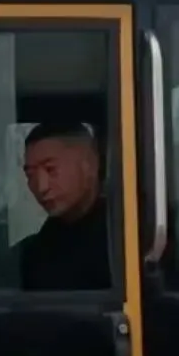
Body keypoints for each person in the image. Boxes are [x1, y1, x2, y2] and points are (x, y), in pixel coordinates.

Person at [15, 122, 111, 291]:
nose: (41, 187)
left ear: (90, 165)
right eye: (30, 175)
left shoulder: (122, 239)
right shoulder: (37, 250)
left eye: (51, 170)